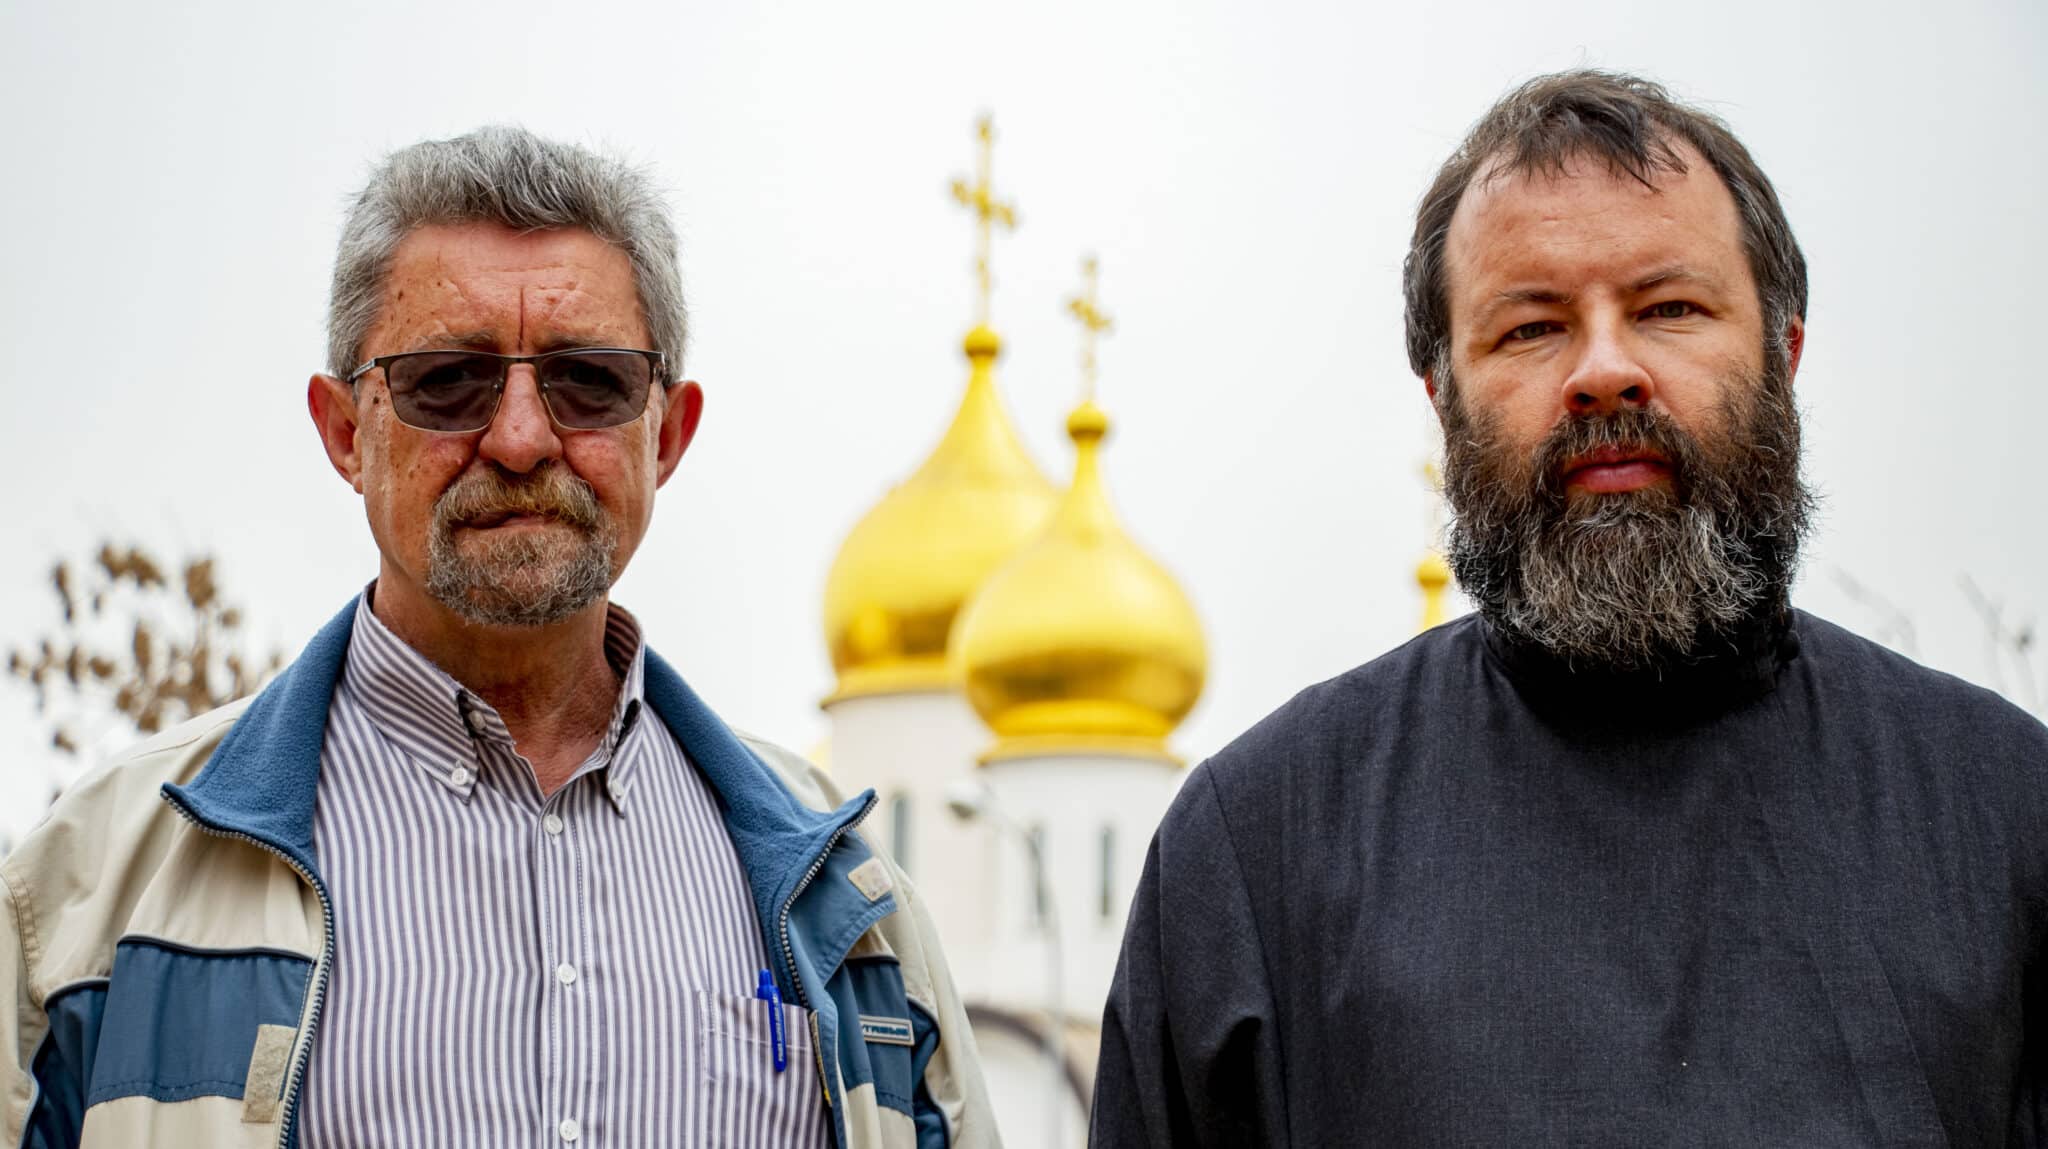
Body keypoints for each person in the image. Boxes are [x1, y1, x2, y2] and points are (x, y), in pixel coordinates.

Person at [1091, 70, 2048, 1146]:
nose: (1603, 373)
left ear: (1781, 357)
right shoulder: (1257, 851)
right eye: (1531, 328)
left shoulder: (2006, 817)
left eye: (1668, 309)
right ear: (1442, 403)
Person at [0, 126, 997, 1148]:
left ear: (667, 433)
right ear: (345, 430)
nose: (520, 438)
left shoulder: (849, 911)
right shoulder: (90, 900)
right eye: (447, 382)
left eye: (588, 382)